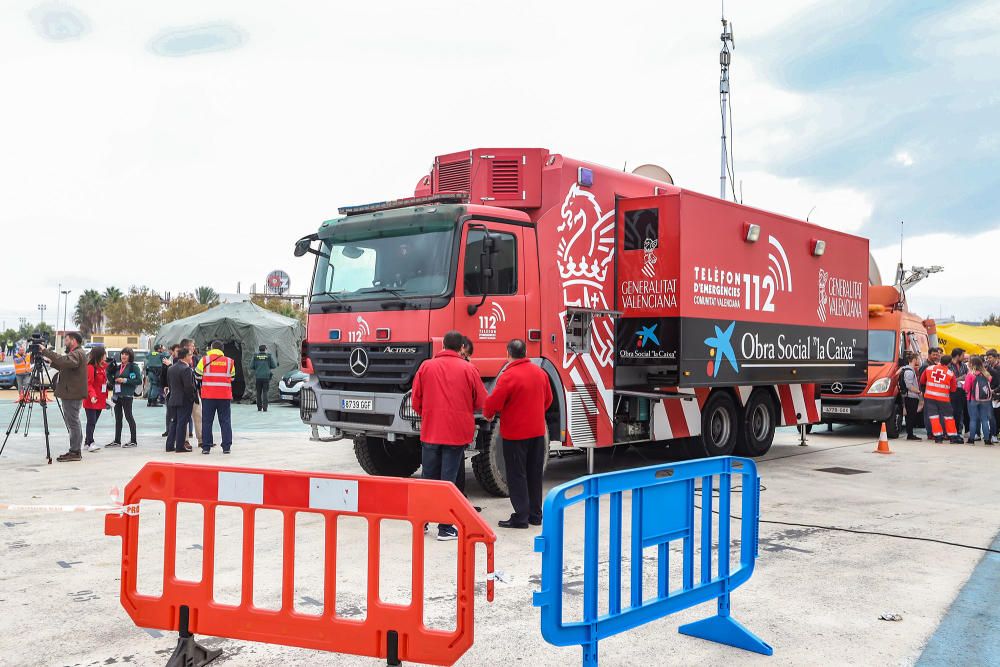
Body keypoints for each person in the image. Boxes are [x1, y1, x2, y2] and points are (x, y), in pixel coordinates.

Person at [412, 330, 487, 541]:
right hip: (456, 432)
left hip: (431, 430)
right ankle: (445, 528)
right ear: (461, 347)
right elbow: (481, 401)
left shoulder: (426, 366)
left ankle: (422, 522)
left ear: (443, 345)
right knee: (449, 480)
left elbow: (416, 400)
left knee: (428, 478)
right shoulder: (469, 369)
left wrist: (429, 413)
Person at [484, 339, 553, 529]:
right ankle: (535, 515)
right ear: (525, 352)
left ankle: (521, 516)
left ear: (508, 353)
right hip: (537, 433)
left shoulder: (508, 376)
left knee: (517, 474)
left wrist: (488, 414)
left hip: (515, 434)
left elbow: (493, 403)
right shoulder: (540, 373)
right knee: (534, 473)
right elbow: (548, 400)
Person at [40, 332, 89, 462]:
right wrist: (50, 360)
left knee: (73, 422)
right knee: (73, 422)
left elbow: (66, 361)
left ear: (73, 340)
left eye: (66, 340)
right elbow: (66, 366)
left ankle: (75, 451)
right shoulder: (76, 353)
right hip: (71, 392)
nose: (65, 342)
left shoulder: (77, 353)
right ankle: (75, 450)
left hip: (72, 393)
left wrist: (46, 352)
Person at [196, 340, 235, 454]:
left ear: (211, 348)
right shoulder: (229, 362)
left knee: (207, 421)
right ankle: (226, 447)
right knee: (225, 421)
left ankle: (206, 447)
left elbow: (197, 375)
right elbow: (232, 378)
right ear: (222, 349)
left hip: (208, 396)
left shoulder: (204, 360)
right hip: (224, 396)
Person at [920, 354, 963, 444]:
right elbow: (953, 389)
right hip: (943, 399)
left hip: (929, 397)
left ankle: (938, 437)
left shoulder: (929, 368)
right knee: (948, 417)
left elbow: (922, 381)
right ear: (949, 363)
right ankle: (952, 437)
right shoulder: (950, 373)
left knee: (934, 417)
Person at [106, 348, 141, 448]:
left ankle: (133, 441)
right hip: (117, 395)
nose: (123, 356)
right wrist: (108, 373)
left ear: (130, 356)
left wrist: (125, 380)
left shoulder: (133, 367)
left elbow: (138, 380)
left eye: (126, 354)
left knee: (129, 417)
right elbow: (113, 382)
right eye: (122, 354)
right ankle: (117, 441)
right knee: (118, 418)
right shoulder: (118, 367)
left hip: (127, 396)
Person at [166, 348, 197, 453]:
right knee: (182, 423)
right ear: (185, 357)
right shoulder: (186, 369)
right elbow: (188, 386)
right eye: (190, 355)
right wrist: (192, 397)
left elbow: (170, 384)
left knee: (174, 422)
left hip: (173, 398)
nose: (191, 357)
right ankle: (180, 446)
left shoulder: (171, 368)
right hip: (184, 400)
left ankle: (169, 445)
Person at [83, 346, 109, 452]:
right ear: (99, 355)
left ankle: (86, 442)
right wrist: (92, 395)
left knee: (94, 422)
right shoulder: (90, 367)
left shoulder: (102, 367)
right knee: (91, 421)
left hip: (100, 399)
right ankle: (90, 442)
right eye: (104, 354)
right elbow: (88, 384)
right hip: (91, 399)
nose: (106, 356)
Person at [963, 356, 993, 445]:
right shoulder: (986, 374)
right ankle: (987, 440)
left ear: (972, 364)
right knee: (984, 419)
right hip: (985, 399)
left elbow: (966, 388)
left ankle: (971, 439)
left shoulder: (970, 374)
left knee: (973, 419)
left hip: (972, 399)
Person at [182, 339, 203, 448]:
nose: (194, 348)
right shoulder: (177, 360)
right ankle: (185, 440)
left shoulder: (196, 359)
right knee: (184, 417)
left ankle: (201, 440)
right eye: (192, 346)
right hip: (183, 394)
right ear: (185, 347)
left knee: (198, 416)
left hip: (195, 393)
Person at [918, 347, 942, 433]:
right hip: (927, 394)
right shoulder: (925, 366)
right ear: (929, 355)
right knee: (928, 414)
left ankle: (933, 431)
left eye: (937, 354)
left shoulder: (934, 365)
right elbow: (921, 381)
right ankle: (930, 432)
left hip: (934, 393)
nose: (935, 356)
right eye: (934, 354)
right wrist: (923, 393)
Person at [899, 352, 922, 441]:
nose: (919, 361)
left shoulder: (905, 369)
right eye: (918, 359)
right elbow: (909, 385)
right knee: (911, 416)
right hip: (911, 396)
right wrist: (918, 391)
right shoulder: (909, 371)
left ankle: (910, 433)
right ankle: (910, 434)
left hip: (909, 396)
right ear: (914, 360)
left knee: (910, 416)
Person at [948, 348, 969, 435]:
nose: (964, 357)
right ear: (957, 356)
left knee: (963, 412)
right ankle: (954, 430)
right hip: (952, 392)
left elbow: (967, 376)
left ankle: (961, 430)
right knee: (954, 412)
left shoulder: (964, 366)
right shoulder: (948, 366)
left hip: (962, 391)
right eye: (963, 355)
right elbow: (947, 380)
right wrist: (959, 379)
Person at [251, 344, 277, 411]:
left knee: (258, 392)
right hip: (266, 377)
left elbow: (251, 366)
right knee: (265, 392)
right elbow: (274, 366)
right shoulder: (268, 356)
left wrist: (257, 368)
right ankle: (265, 408)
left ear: (259, 350)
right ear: (265, 349)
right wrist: (268, 367)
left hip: (258, 377)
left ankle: (259, 408)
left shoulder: (255, 356)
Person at [985, 350, 1000, 440]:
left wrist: (995, 390)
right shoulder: (990, 366)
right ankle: (994, 432)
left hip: (997, 394)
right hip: (991, 394)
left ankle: (996, 433)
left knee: (997, 415)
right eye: (988, 358)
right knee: (994, 415)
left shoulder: (998, 367)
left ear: (996, 358)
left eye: (990, 357)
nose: (988, 359)